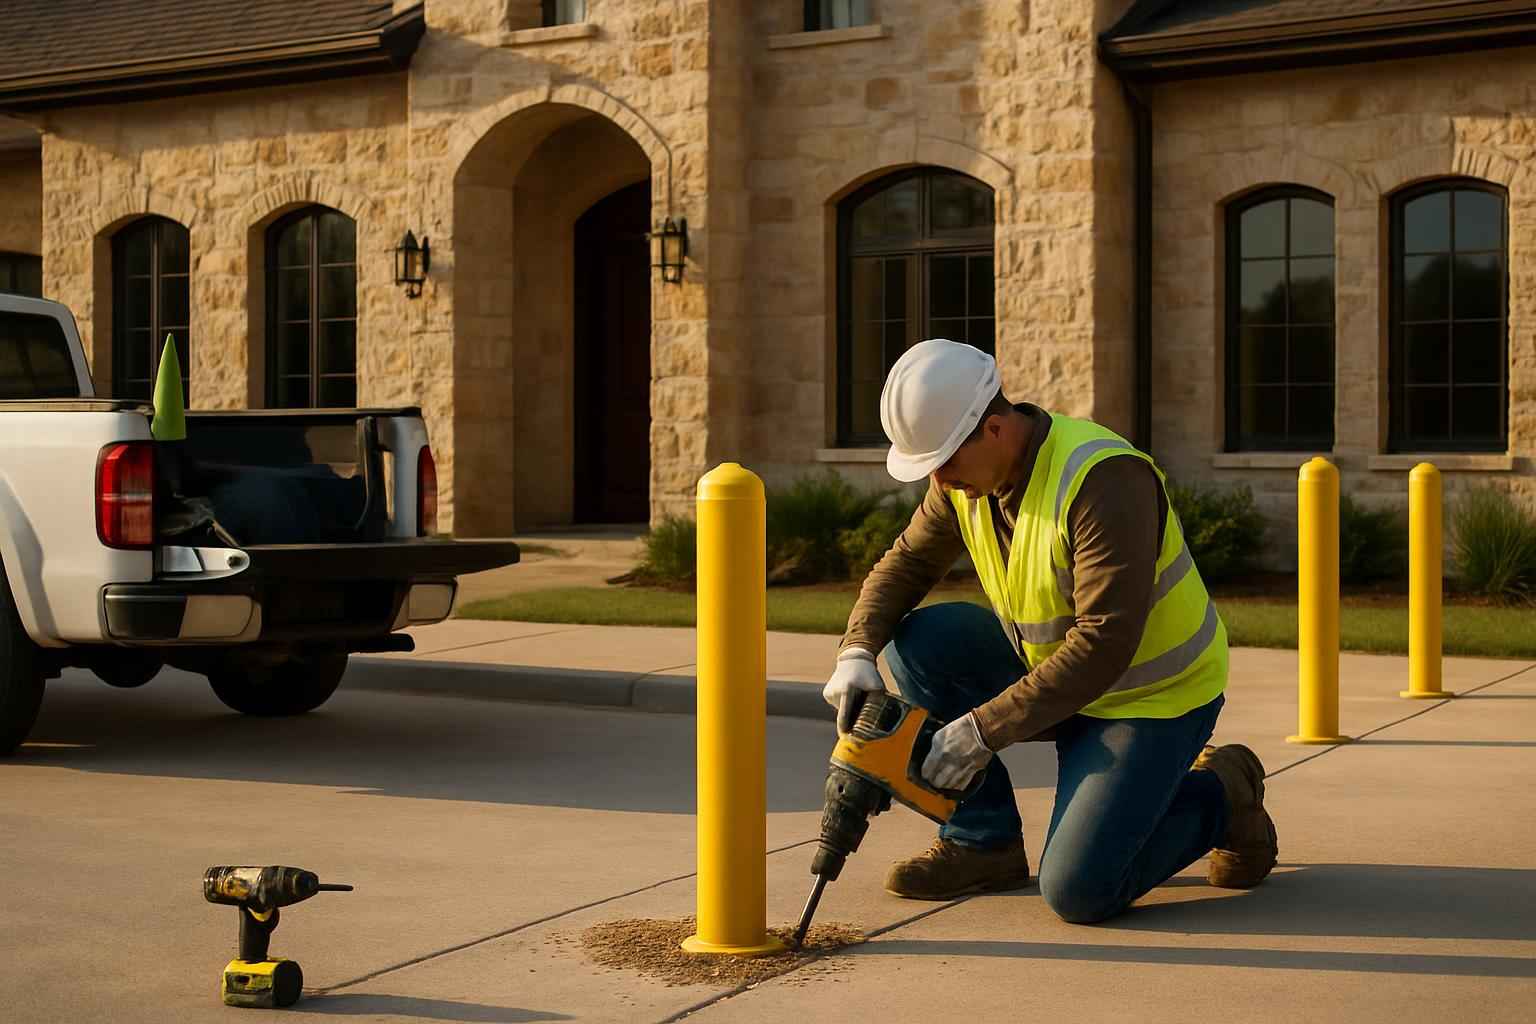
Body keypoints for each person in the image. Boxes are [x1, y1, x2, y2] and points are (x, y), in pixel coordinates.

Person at [822, 338, 1278, 924]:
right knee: (921, 642)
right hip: (1058, 681)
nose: (938, 479)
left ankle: (1225, 792)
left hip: (1150, 699)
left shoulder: (1103, 478)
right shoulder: (964, 482)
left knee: (1079, 889)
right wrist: (856, 651)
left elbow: (1104, 642)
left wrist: (982, 731)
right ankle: (982, 844)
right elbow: (906, 564)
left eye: (945, 462)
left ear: (993, 428)